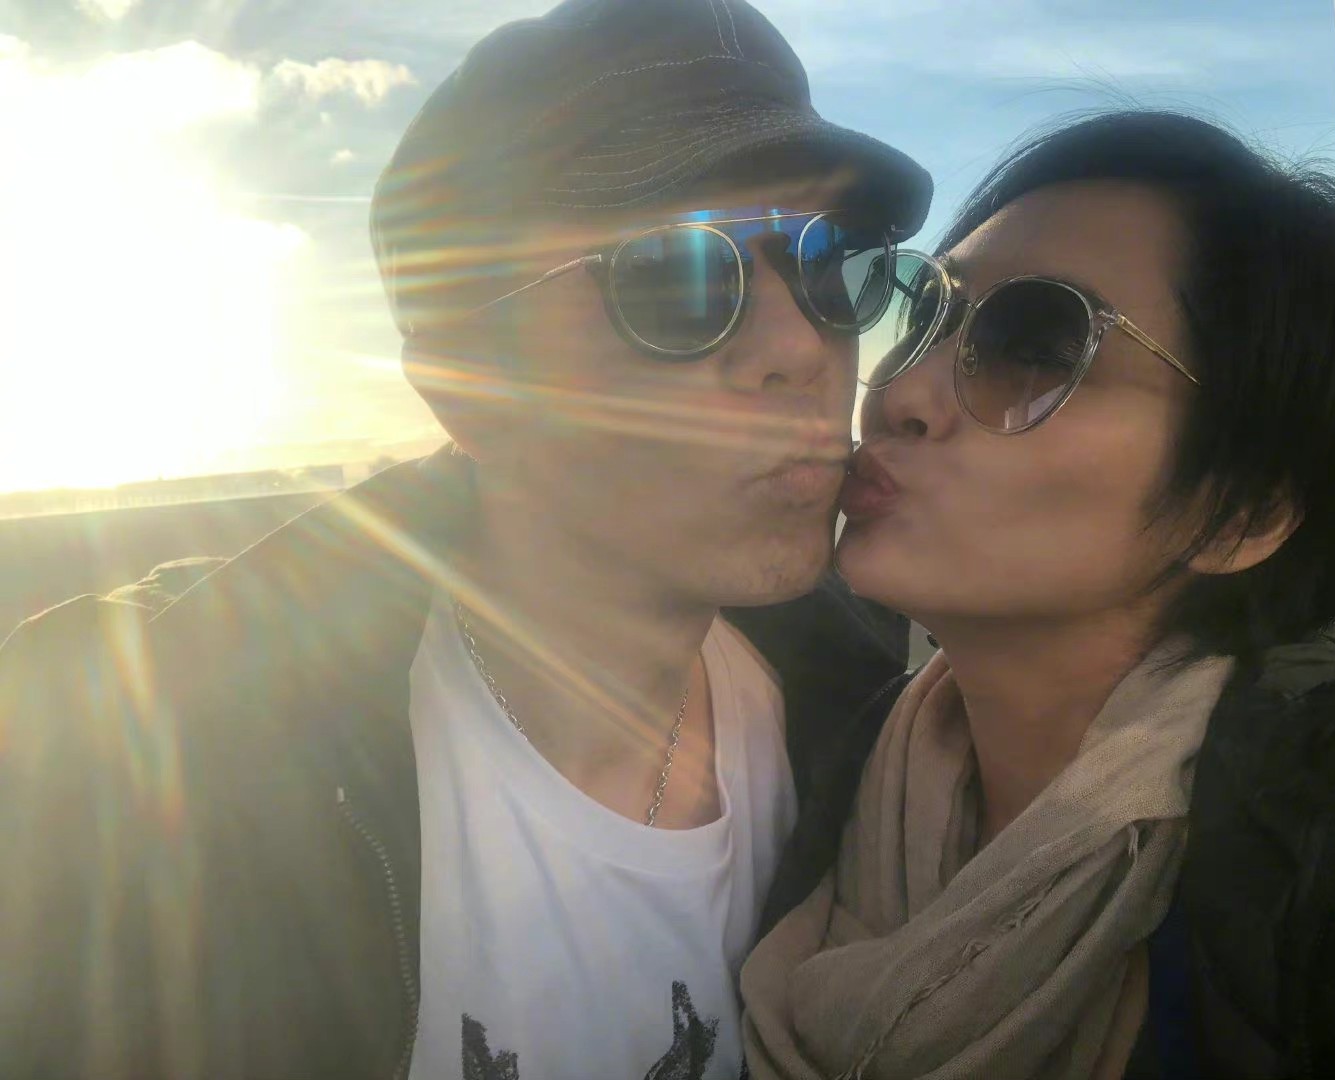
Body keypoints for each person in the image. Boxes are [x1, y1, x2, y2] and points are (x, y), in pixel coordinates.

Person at [0, 1, 932, 1076]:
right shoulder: (132, 777)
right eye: (678, 275)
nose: (801, 347)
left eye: (832, 265)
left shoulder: (874, 718)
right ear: (470, 390)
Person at [742, 111, 1335, 1080]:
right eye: (925, 314)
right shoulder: (810, 754)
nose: (899, 394)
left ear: (1237, 513)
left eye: (1035, 345)